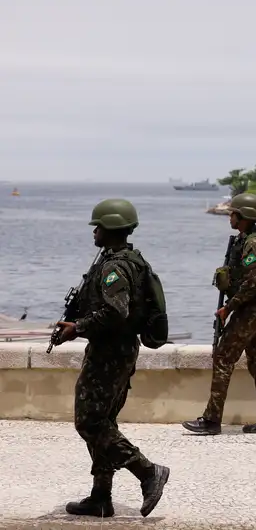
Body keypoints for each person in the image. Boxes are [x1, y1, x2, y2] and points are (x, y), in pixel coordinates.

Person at [54, 198, 170, 518]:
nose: (94, 232)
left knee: (89, 421)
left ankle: (148, 472)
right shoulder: (125, 260)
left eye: (99, 227)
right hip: (119, 350)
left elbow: (115, 312)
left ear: (112, 228)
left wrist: (77, 328)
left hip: (110, 353)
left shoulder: (115, 267)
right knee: (104, 422)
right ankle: (101, 497)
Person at [183, 192, 256, 435]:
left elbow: (253, 282)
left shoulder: (252, 244)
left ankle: (211, 419)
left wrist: (229, 307)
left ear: (244, 217)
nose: (230, 217)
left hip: (249, 311)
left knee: (223, 358)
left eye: (234, 213)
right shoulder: (248, 240)